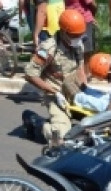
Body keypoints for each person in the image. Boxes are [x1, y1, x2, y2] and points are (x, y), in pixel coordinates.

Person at [22, 9, 87, 143]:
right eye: (74, 35)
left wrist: (85, 91)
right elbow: (30, 74)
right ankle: (36, 123)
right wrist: (53, 92)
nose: (77, 38)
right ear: (63, 32)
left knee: (94, 125)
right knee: (63, 136)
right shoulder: (48, 48)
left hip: (73, 92)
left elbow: (81, 69)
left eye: (80, 35)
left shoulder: (78, 44)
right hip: (55, 96)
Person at [65, 0, 97, 76]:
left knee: (85, 49)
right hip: (73, 22)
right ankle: (81, 74)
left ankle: (85, 74)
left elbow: (92, 4)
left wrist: (92, 16)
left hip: (80, 20)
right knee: (76, 49)